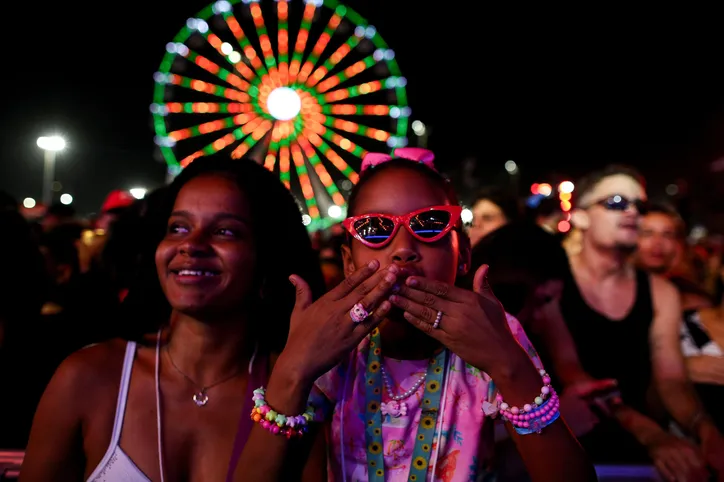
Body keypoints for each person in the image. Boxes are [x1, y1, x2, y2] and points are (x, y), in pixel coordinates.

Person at [236, 148, 596, 482]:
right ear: (348, 262)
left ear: (464, 253)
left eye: (430, 223)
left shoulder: (494, 331)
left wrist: (507, 364)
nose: (404, 250)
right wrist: (293, 368)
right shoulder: (333, 339)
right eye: (375, 229)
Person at [20, 155, 325, 481]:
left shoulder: (301, 393)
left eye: (224, 231)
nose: (191, 245)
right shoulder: (87, 378)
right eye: (178, 227)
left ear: (267, 258)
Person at [561, 164, 724, 481]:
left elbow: (671, 379)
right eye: (617, 202)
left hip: (639, 456)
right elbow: (572, 375)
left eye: (640, 205)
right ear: (580, 216)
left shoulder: (661, 292)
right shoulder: (553, 280)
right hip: (566, 445)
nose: (633, 212)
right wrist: (655, 438)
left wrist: (705, 428)